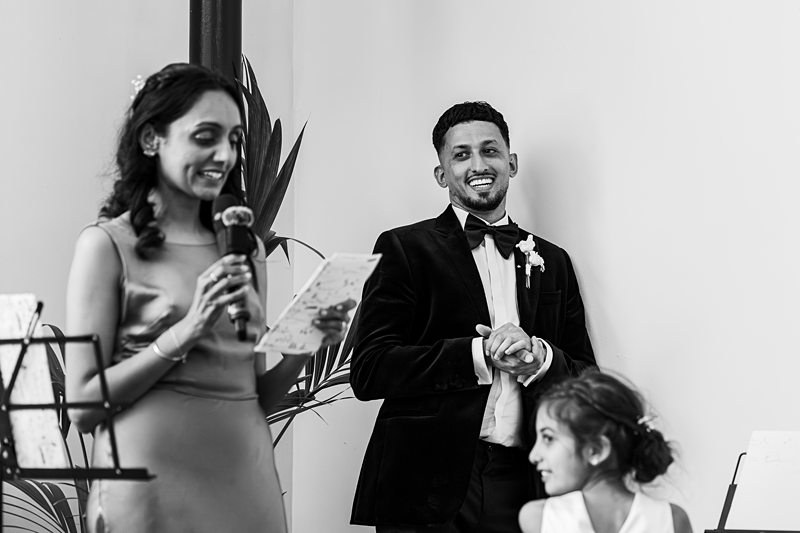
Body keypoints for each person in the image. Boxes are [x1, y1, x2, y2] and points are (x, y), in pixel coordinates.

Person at [65, 62, 352, 533]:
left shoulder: (244, 247)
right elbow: (82, 408)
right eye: (205, 136)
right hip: (148, 491)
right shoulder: (105, 246)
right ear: (151, 139)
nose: (225, 154)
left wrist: (305, 347)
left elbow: (252, 398)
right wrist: (186, 331)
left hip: (245, 484)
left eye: (235, 140)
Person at [349, 101, 597, 533]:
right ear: (442, 174)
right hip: (424, 483)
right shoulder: (403, 248)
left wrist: (541, 359)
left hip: (522, 480)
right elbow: (370, 370)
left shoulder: (553, 261)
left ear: (511, 162)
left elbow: (588, 380)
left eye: (490, 151)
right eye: (461, 154)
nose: (478, 164)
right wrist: (477, 354)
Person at [519, 370, 693, 533]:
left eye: (548, 438)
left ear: (596, 450)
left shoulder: (538, 518)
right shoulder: (672, 519)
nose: (534, 456)